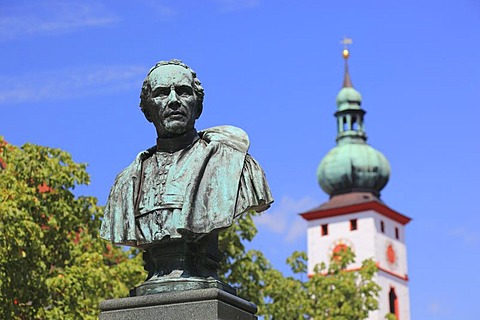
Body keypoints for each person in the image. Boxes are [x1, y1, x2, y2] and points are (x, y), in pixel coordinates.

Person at [100, 59, 273, 249]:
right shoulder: (124, 184)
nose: (174, 100)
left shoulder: (238, 166)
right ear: (147, 112)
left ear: (198, 107)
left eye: (183, 91)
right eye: (162, 93)